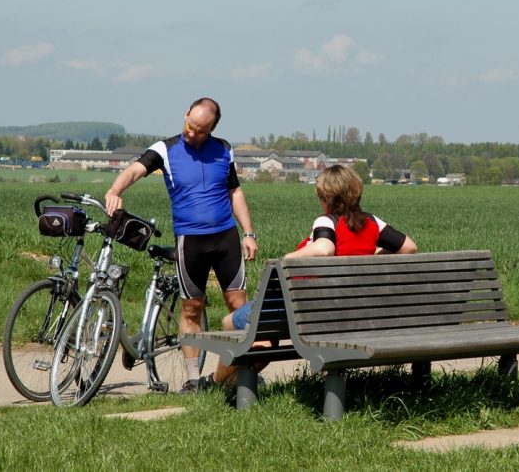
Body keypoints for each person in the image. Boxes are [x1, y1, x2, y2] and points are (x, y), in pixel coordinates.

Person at [200, 164, 417, 391]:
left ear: (325, 197)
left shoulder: (327, 221)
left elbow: (325, 249)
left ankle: (217, 383)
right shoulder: (373, 222)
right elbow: (409, 247)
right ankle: (234, 383)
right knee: (263, 336)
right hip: (345, 310)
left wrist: (286, 258)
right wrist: (374, 256)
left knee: (232, 323)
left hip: (304, 309)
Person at [104, 97, 258, 394]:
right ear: (186, 114)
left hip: (225, 238)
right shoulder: (166, 148)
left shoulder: (224, 150)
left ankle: (241, 374)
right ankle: (192, 379)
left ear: (212, 128)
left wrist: (248, 233)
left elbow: (235, 191)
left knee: (239, 307)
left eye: (200, 130)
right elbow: (135, 169)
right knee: (191, 309)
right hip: (190, 240)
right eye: (190, 126)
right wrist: (115, 190)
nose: (192, 134)